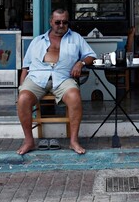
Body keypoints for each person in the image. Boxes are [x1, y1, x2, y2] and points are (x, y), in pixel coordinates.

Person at [16, 8, 96, 155]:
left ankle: (73, 141)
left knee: (74, 96)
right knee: (23, 98)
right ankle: (29, 141)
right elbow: (26, 67)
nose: (61, 25)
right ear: (51, 22)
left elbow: (90, 55)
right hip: (37, 77)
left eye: (65, 22)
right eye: (57, 22)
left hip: (63, 77)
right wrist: (21, 86)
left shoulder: (76, 38)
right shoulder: (37, 41)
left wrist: (80, 63)